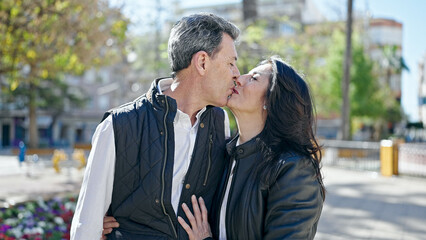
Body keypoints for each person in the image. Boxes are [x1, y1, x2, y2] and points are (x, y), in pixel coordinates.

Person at [70, 13, 240, 240]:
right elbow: (86, 227)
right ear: (202, 62)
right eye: (230, 63)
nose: (237, 74)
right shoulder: (118, 127)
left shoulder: (220, 124)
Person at [177, 56, 325, 239]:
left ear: (270, 101)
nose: (238, 78)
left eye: (253, 78)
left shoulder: (294, 170)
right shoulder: (225, 155)